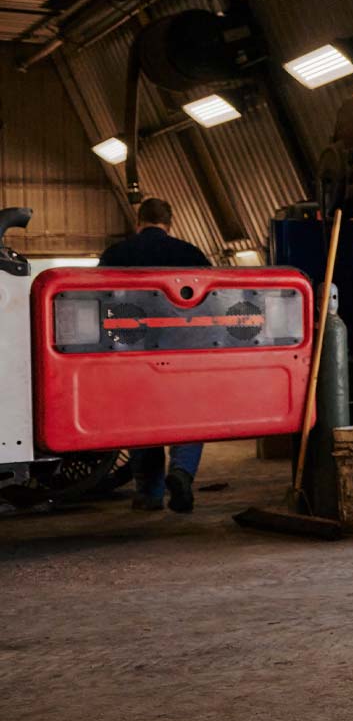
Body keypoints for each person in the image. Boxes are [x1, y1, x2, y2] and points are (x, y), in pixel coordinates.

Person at [98, 197, 210, 511]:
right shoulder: (191, 254)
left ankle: (150, 493)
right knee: (188, 415)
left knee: (141, 418)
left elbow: (98, 302)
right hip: (184, 348)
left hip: (131, 351)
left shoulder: (116, 254)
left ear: (138, 222)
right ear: (169, 224)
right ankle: (182, 473)